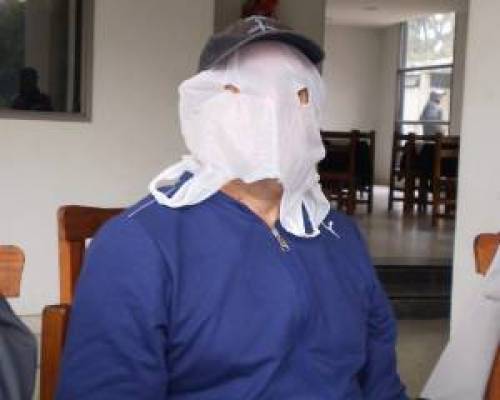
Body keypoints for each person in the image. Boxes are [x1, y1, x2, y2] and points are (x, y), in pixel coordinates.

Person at [56, 16, 407, 399]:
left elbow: (381, 383)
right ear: (205, 108)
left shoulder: (342, 237)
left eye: (297, 95)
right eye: (243, 92)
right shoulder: (136, 246)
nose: (274, 114)